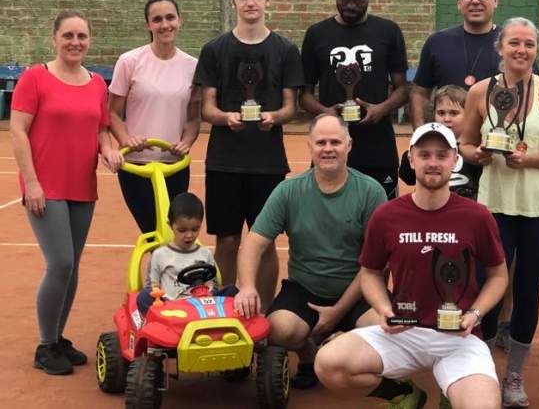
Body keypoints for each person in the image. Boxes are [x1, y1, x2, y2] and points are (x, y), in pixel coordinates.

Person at [314, 123, 508, 409]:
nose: (433, 163)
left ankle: (450, 389)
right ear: (411, 159)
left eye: (442, 155)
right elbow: (370, 273)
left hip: (458, 338)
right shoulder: (387, 215)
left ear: (455, 160)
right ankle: (403, 394)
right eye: (425, 154)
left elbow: (498, 276)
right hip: (402, 333)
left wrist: (474, 315)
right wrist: (384, 309)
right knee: (329, 365)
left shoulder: (477, 216)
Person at [459, 17, 539, 407]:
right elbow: (465, 142)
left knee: (528, 290)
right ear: (500, 47)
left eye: (529, 44)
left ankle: (514, 375)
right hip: (494, 205)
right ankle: (485, 370)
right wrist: (474, 154)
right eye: (514, 43)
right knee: (487, 286)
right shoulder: (479, 92)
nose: (521, 50)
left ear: (536, 50)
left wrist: (530, 161)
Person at [234, 113, 387, 390]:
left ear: (349, 145)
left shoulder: (370, 192)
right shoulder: (288, 191)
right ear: (309, 146)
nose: (328, 149)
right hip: (304, 288)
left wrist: (338, 311)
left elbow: (374, 264)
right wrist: (246, 286)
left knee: (384, 329)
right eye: (321, 142)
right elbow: (254, 242)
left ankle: (339, 341)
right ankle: (308, 353)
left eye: (335, 142)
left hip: (357, 291)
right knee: (278, 330)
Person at [10, 11, 123, 375]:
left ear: (90, 40)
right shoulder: (34, 78)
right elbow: (18, 131)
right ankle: (45, 345)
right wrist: (32, 182)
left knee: (71, 267)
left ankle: (58, 337)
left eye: (82, 36)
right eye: (68, 35)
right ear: (54, 38)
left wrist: (108, 151)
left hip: (81, 185)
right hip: (46, 186)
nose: (75, 42)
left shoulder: (95, 84)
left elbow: (101, 130)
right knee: (59, 263)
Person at [194, 0, 305, 309]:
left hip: (267, 162)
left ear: (267, 1)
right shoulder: (214, 49)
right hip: (224, 161)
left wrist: (274, 117)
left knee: (266, 240)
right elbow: (207, 109)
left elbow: (291, 108)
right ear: (234, 3)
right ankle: (226, 306)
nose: (250, 2)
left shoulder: (285, 50)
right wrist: (226, 118)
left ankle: (266, 313)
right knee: (226, 240)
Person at [300, 0, 409, 199]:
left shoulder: (388, 31)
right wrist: (325, 113)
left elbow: (403, 89)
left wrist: (381, 109)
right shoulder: (316, 34)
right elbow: (304, 94)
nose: (350, 4)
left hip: (378, 150)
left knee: (381, 224)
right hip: (331, 149)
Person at [109, 0, 200, 233]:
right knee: (154, 234)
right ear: (148, 25)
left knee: (175, 235)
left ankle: (163, 272)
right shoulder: (129, 61)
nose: (164, 25)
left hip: (174, 167)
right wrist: (127, 141)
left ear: (180, 20)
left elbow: (192, 119)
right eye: (157, 19)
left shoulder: (192, 66)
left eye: (170, 17)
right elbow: (113, 114)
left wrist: (186, 143)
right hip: (137, 167)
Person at [410, 0, 501, 127]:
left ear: (495, 0)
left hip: (496, 142)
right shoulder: (437, 42)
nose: (475, 1)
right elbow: (420, 92)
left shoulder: (512, 45)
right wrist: (420, 132)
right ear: (459, 3)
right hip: (447, 145)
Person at [135, 193, 236, 314]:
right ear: (171, 225)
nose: (189, 235)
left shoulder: (205, 253)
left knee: (232, 290)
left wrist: (209, 292)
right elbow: (152, 286)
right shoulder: (159, 255)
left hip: (201, 303)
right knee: (144, 297)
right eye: (182, 230)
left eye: (195, 229)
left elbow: (211, 283)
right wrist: (162, 298)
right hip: (172, 306)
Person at [399, 84, 483, 200]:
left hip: (466, 210)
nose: (447, 119)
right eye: (441, 113)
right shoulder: (424, 144)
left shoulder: (475, 148)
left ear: (468, 114)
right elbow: (407, 177)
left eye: (454, 113)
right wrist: (413, 153)